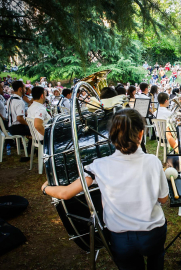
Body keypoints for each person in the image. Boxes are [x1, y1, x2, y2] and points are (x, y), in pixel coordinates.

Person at [41, 109, 169, 270]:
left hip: (122, 239)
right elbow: (163, 199)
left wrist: (46, 188)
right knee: (156, 262)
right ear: (141, 134)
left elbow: (65, 193)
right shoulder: (153, 162)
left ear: (111, 136)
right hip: (153, 234)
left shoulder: (98, 166)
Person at [6, 81, 31, 161]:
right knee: (35, 129)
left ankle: (30, 150)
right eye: (24, 88)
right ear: (20, 89)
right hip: (17, 127)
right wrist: (29, 124)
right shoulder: (20, 102)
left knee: (31, 129)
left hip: (10, 126)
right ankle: (30, 151)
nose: (25, 89)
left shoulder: (10, 99)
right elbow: (19, 118)